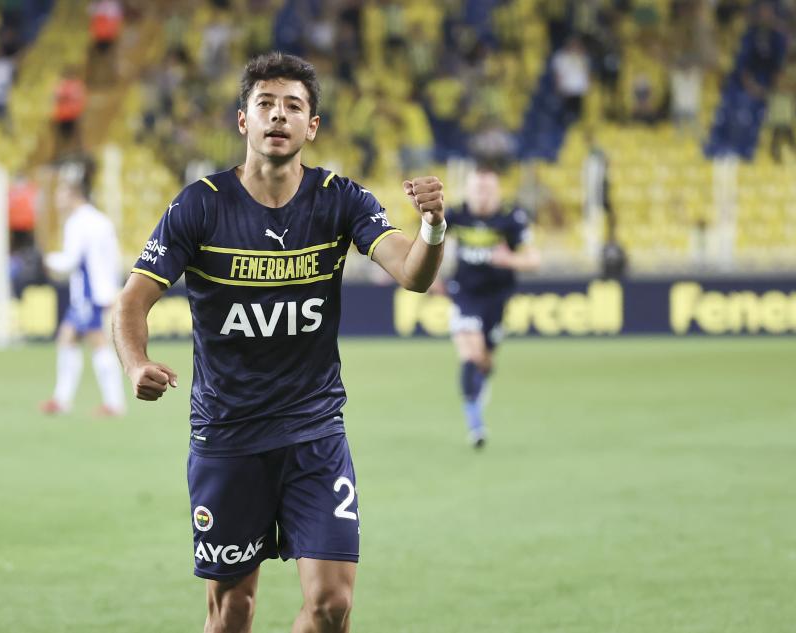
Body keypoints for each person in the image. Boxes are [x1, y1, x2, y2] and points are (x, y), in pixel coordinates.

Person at [112, 52, 446, 633]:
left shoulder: (340, 198)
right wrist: (135, 363)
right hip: (227, 436)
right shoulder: (200, 204)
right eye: (265, 103)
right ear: (243, 120)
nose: (278, 115)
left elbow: (413, 274)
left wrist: (434, 227)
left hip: (315, 432)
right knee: (232, 610)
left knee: (332, 605)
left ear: (311, 127)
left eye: (293, 106)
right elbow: (131, 301)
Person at [442, 165, 540, 448]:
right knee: (471, 353)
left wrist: (510, 260)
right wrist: (432, 279)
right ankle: (475, 423)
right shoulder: (455, 215)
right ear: (468, 190)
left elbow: (534, 260)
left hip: (497, 298)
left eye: (487, 189)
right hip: (464, 294)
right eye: (477, 189)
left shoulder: (511, 218)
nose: (482, 195)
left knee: (485, 359)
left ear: (497, 191)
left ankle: (481, 380)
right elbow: (428, 244)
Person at [40, 167, 125, 417]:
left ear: (73, 194)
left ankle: (113, 403)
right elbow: (112, 258)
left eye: (61, 193)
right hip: (101, 290)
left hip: (89, 292)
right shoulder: (100, 220)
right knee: (68, 337)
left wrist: (47, 261)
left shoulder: (77, 222)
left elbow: (71, 260)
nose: (57, 199)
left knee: (97, 341)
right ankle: (62, 400)